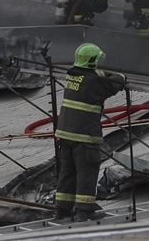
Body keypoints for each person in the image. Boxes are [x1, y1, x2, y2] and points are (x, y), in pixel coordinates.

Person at [53, 43, 127, 222]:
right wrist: (122, 76)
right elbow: (114, 82)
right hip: (84, 136)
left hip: (66, 134)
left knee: (67, 172)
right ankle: (85, 211)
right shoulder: (94, 82)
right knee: (87, 172)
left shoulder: (72, 76)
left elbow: (95, 77)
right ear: (93, 61)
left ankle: (62, 210)